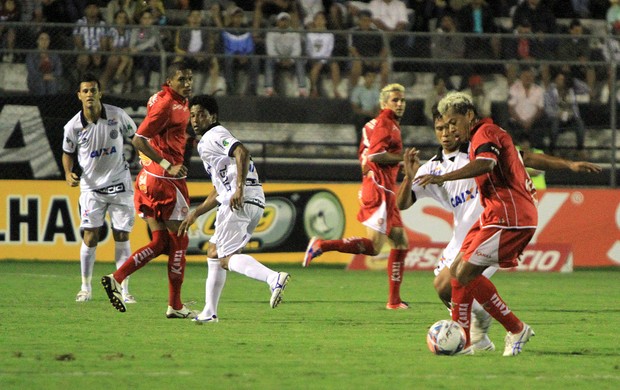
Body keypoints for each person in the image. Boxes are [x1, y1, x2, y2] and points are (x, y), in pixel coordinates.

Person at [398, 103, 601, 351]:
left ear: (463, 122)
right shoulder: (431, 167)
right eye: (441, 127)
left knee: (456, 279)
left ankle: (477, 336)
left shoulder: (479, 149)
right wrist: (409, 176)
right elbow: (403, 203)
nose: (447, 132)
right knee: (444, 289)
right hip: (465, 234)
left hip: (496, 223)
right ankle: (479, 333)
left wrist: (568, 165)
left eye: (452, 125)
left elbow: (526, 157)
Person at [178, 94, 291, 324]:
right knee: (213, 251)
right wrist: (196, 213)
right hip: (250, 200)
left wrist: (238, 189)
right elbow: (219, 188)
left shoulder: (214, 135)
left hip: (239, 200)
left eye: (201, 114)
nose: (195, 119)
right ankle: (209, 312)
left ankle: (273, 278)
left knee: (225, 258)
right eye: (192, 115)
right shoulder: (209, 141)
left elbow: (242, 152)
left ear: (213, 116)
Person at [101, 61, 195, 319]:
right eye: (182, 79)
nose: (187, 84)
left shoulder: (167, 98)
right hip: (166, 181)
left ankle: (116, 278)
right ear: (169, 80)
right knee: (180, 241)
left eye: (189, 79)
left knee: (160, 242)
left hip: (148, 178)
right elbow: (138, 139)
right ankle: (175, 305)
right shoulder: (166, 104)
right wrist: (168, 164)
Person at [303, 84, 410, 310]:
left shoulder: (374, 125)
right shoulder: (385, 122)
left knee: (400, 241)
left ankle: (394, 301)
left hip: (383, 187)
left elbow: (365, 158)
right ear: (383, 103)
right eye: (395, 100)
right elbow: (375, 155)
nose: (399, 104)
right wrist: (401, 159)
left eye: (402, 100)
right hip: (380, 188)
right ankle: (322, 244)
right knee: (374, 247)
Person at [62, 73, 138, 303]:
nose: (89, 95)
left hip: (120, 184)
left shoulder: (117, 115)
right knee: (90, 235)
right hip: (91, 189)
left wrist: (148, 159)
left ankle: (124, 290)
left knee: (122, 235)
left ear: (100, 93)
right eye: (85, 91)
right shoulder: (73, 126)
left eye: (93, 90)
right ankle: (85, 287)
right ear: (79, 95)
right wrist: (67, 173)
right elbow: (67, 153)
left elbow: (136, 138)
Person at [543, 71, 587, 157]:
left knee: (579, 123)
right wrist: (558, 114)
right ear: (555, 80)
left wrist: (572, 80)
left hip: (571, 117)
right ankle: (551, 149)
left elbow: (586, 89)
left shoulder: (571, 90)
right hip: (556, 117)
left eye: (563, 79)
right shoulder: (550, 92)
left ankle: (580, 149)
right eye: (559, 79)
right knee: (554, 124)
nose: (561, 81)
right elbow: (548, 110)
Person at [264, 11, 307, 97]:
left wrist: (290, 60)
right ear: (277, 22)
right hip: (277, 59)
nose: (284, 23)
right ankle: (269, 89)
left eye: (286, 20)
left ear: (289, 22)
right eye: (282, 20)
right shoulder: (271, 33)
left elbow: (297, 50)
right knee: (269, 60)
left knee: (299, 60)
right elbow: (271, 50)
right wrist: (279, 60)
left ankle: (302, 89)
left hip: (291, 59)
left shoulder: (294, 33)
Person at [507, 66, 547, 151]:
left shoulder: (539, 90)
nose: (527, 79)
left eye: (530, 77)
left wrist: (530, 121)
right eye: (525, 76)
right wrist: (521, 122)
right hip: (517, 122)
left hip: (534, 122)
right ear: (521, 77)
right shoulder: (514, 88)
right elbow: (511, 108)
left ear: (533, 78)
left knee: (540, 128)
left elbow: (540, 109)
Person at [348, 9, 389, 88]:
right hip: (360, 59)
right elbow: (351, 48)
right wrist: (362, 59)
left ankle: (382, 92)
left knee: (385, 65)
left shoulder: (378, 32)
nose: (366, 23)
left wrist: (378, 59)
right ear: (359, 21)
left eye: (368, 20)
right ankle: (354, 90)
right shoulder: (353, 32)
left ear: (371, 21)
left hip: (375, 59)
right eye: (363, 20)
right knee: (357, 63)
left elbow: (385, 49)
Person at [305, 11, 342, 98]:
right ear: (314, 21)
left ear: (325, 21)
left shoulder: (329, 35)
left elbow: (329, 50)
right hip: (313, 58)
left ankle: (336, 89)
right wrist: (316, 59)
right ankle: (313, 89)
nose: (319, 21)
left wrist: (322, 60)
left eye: (321, 19)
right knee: (316, 66)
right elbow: (308, 49)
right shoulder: (309, 34)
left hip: (325, 58)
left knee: (334, 65)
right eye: (317, 19)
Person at [73, 0, 109, 78]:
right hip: (83, 50)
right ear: (85, 10)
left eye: (94, 8)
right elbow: (77, 40)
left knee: (101, 59)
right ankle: (81, 80)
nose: (92, 10)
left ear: (98, 10)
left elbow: (104, 41)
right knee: (84, 58)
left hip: (98, 51)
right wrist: (86, 51)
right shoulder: (80, 23)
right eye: (89, 8)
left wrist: (99, 51)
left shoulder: (102, 24)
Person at [26, 31, 63, 95]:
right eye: (42, 39)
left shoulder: (54, 55)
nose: (44, 41)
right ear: (37, 41)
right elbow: (32, 70)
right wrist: (43, 76)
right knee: (41, 83)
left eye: (46, 39)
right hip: (36, 79)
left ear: (49, 41)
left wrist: (51, 75)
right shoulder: (31, 54)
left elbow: (59, 70)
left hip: (51, 78)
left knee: (52, 83)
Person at [350, 69, 380, 146]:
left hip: (371, 115)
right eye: (369, 76)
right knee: (360, 120)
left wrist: (374, 114)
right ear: (364, 77)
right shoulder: (358, 90)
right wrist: (365, 112)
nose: (371, 79)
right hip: (360, 115)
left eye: (373, 77)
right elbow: (355, 107)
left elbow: (377, 107)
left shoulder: (376, 91)